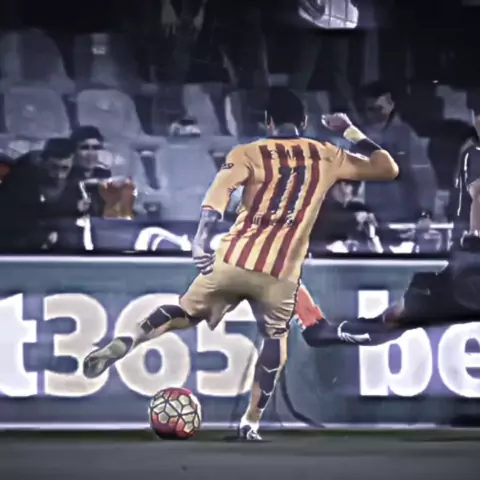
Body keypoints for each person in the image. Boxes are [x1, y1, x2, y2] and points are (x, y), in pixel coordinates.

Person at [82, 88, 398, 440]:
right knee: (274, 339)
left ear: (268, 122)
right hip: (280, 272)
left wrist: (200, 240)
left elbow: (218, 195)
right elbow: (388, 167)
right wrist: (349, 130)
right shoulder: (325, 154)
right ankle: (251, 421)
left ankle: (128, 340)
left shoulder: (248, 152)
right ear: (305, 121)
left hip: (234, 257)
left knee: (183, 312)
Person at [301, 115, 480, 347]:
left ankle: (329, 334)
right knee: (400, 314)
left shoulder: (475, 155)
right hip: (462, 272)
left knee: (399, 316)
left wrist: (475, 238)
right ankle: (330, 333)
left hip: (469, 270)